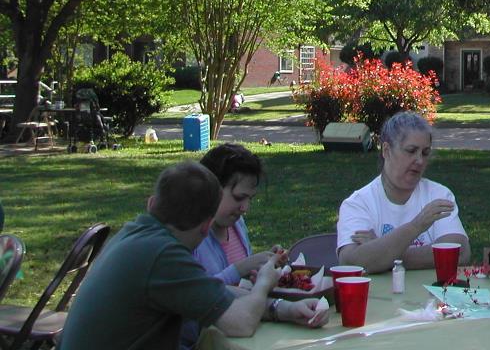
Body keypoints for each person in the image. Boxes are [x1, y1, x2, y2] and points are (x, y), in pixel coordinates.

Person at [61, 161, 328, 350]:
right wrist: (264, 283)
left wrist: (283, 309)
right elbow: (241, 324)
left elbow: (212, 292)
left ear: (152, 203)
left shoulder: (137, 233)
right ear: (206, 226)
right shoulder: (163, 255)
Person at [337, 110, 470, 274]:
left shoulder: (439, 195)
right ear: (386, 151)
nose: (419, 160)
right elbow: (351, 262)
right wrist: (416, 226)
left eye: (425, 153)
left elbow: (459, 252)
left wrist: (383, 251)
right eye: (411, 151)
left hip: (431, 290)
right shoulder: (358, 203)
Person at [194, 143, 280, 284]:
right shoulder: (192, 239)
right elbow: (197, 291)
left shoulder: (236, 224)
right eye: (239, 197)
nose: (245, 208)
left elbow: (241, 281)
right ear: (210, 189)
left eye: (250, 198)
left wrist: (263, 265)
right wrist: (241, 268)